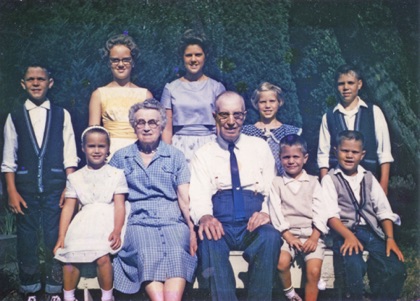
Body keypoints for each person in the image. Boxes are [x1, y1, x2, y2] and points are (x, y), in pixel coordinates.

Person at [190, 91, 282, 301]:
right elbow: (199, 193)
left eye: (237, 115)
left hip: (253, 221)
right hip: (221, 222)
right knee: (209, 241)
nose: (231, 122)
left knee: (270, 237)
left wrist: (266, 213)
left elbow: (272, 188)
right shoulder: (204, 153)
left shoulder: (259, 147)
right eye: (224, 115)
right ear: (215, 116)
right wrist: (205, 216)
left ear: (245, 115)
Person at [1, 64, 79, 301]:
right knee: (27, 242)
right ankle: (30, 289)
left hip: (56, 188)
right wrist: (11, 190)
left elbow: (70, 155)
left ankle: (55, 289)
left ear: (50, 83)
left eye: (41, 79)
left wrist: (69, 186)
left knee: (56, 238)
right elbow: (8, 158)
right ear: (23, 84)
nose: (36, 83)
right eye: (31, 79)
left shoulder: (61, 114)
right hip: (25, 191)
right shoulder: (14, 116)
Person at [109, 99, 197, 301]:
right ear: (134, 126)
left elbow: (184, 198)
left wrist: (192, 229)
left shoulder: (175, 156)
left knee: (176, 250)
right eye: (141, 122)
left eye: (152, 122)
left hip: (173, 220)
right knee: (146, 251)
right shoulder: (120, 157)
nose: (147, 128)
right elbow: (113, 198)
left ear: (162, 125)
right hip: (137, 221)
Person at [322, 130, 406, 300]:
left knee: (395, 268)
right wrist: (348, 236)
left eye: (354, 152)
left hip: (369, 232)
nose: (349, 156)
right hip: (343, 233)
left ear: (362, 155)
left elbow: (383, 210)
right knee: (353, 265)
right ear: (335, 151)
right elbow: (331, 216)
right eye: (345, 151)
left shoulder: (369, 177)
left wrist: (390, 238)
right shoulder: (330, 179)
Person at [53, 126, 128, 301]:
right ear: (83, 148)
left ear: (108, 148)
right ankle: (69, 296)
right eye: (91, 146)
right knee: (69, 256)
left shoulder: (116, 174)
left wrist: (117, 230)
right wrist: (61, 236)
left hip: (106, 221)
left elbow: (119, 206)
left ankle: (107, 296)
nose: (96, 151)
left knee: (102, 255)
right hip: (83, 222)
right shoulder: (75, 177)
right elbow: (69, 207)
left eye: (101, 146)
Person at [269, 134, 329, 301]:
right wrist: (288, 235)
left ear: (305, 158)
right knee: (281, 262)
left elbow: (321, 211)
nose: (291, 161)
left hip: (311, 235)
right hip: (287, 235)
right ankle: (291, 295)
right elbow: (275, 212)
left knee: (314, 271)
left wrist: (315, 237)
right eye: (286, 157)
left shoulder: (314, 182)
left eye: (296, 156)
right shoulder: (277, 183)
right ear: (280, 158)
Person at [317, 64, 393, 194]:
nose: (346, 87)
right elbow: (323, 155)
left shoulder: (373, 112)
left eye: (350, 83)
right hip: (338, 183)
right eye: (341, 84)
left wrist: (383, 185)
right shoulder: (329, 116)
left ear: (359, 84)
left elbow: (384, 152)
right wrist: (325, 187)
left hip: (369, 179)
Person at [161, 29, 225, 165]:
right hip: (180, 145)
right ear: (182, 57)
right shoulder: (171, 88)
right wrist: (167, 154)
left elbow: (221, 124)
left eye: (198, 55)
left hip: (209, 144)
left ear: (205, 56)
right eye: (188, 55)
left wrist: (222, 150)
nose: (193, 60)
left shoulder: (216, 87)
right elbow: (167, 127)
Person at [89, 34, 153, 158]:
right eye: (115, 60)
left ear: (133, 62)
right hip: (109, 154)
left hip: (139, 153)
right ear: (109, 63)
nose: (121, 64)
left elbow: (150, 132)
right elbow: (93, 136)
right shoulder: (99, 94)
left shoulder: (145, 94)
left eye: (126, 59)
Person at [242, 82, 301, 175]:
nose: (268, 106)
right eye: (262, 102)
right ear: (256, 104)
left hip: (282, 183)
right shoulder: (246, 132)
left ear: (279, 102)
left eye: (272, 101)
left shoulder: (290, 132)